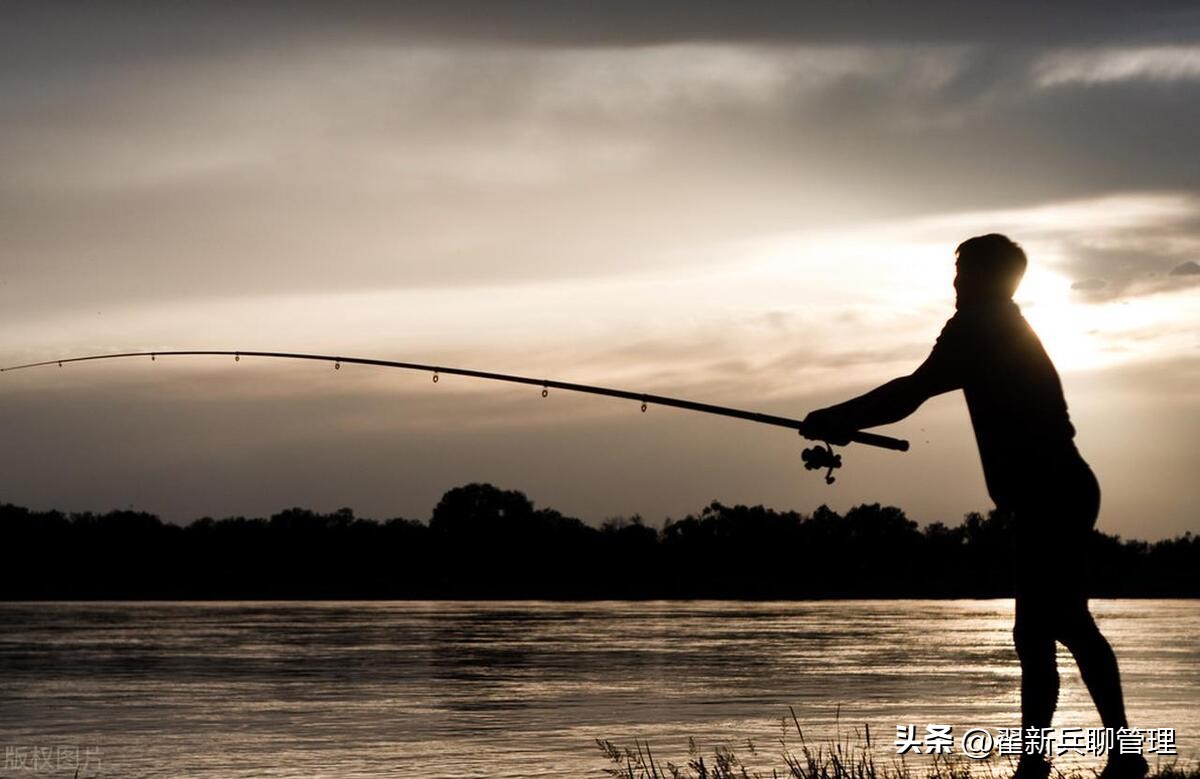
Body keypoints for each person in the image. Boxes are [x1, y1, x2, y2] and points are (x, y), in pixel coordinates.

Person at [802, 234, 1145, 779]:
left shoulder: (979, 326)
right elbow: (911, 392)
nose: (955, 283)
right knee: (1049, 628)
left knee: (1056, 627)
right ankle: (1072, 761)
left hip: (1051, 492)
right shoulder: (1000, 323)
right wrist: (845, 419)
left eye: (962, 272)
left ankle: (1094, 761)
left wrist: (838, 416)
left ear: (989, 278)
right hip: (1057, 490)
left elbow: (910, 392)